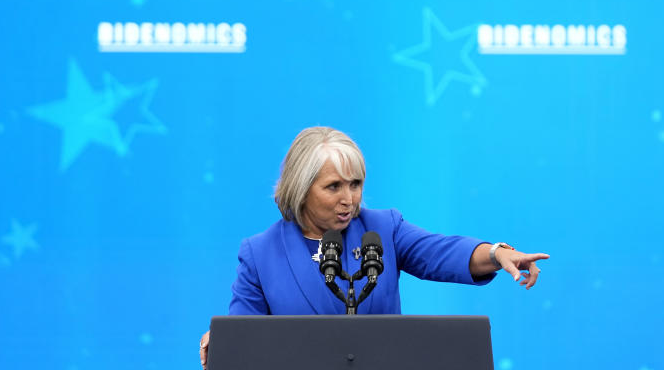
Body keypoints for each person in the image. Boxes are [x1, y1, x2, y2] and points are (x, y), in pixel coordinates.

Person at [199, 127, 549, 368]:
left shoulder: (382, 229)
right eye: (333, 186)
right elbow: (243, 330)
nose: (348, 199)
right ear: (301, 188)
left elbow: (440, 252)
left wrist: (495, 253)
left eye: (355, 184)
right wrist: (223, 342)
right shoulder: (260, 253)